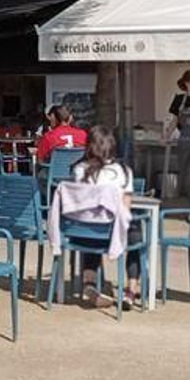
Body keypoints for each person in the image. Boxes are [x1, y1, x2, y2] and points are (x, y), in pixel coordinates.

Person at [68, 127, 141, 308]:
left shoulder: (79, 169)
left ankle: (89, 285)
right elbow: (126, 207)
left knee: (92, 224)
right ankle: (131, 289)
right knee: (136, 234)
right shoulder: (123, 171)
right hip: (114, 235)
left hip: (83, 234)